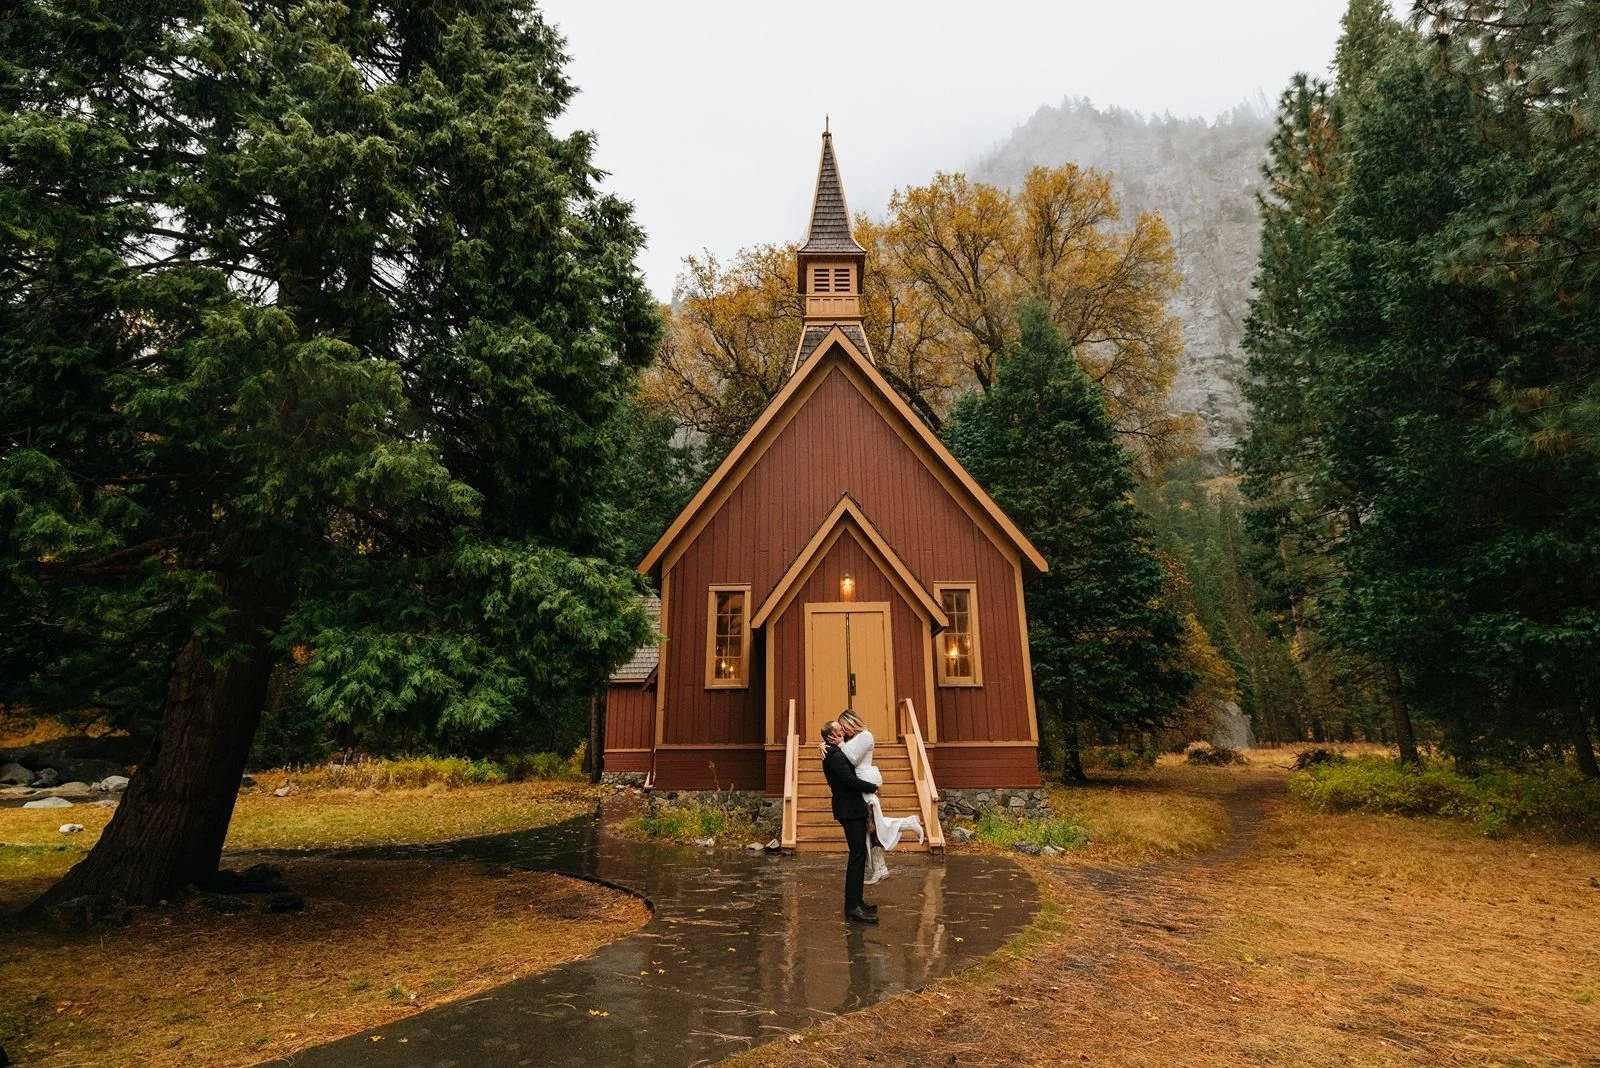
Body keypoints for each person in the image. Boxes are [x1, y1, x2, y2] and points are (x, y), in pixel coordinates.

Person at [836, 710, 925, 883]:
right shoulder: (851, 740)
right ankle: (880, 869)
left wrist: (840, 744)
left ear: (851, 722)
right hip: (861, 781)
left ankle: (909, 823)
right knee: (870, 827)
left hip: (865, 780)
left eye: (844, 727)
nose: (843, 731)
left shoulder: (866, 736)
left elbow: (853, 760)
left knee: (873, 825)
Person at [820, 719, 879, 924]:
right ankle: (852, 907)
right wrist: (872, 787)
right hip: (848, 809)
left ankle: (857, 901)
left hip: (853, 808)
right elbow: (847, 780)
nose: (843, 731)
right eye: (839, 729)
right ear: (830, 736)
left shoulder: (836, 751)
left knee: (859, 854)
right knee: (856, 855)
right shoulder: (834, 755)